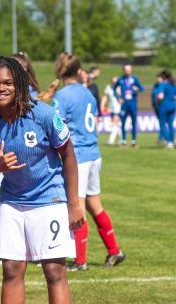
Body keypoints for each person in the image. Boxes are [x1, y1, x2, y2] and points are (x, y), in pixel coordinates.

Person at [0, 56, 84, 304]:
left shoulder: (44, 114)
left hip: (50, 199)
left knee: (54, 271)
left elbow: (68, 155)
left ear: (20, 84)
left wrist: (74, 203)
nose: (0, 88)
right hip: (12, 203)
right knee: (11, 269)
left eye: (8, 83)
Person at [49, 52, 125, 271]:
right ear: (79, 70)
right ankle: (114, 251)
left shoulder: (62, 96)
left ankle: (80, 261)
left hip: (78, 157)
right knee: (95, 206)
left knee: (77, 207)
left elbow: (56, 127)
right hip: (94, 154)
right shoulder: (88, 92)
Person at [113, 64, 143, 147]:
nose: (128, 71)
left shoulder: (134, 79)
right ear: (124, 70)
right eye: (126, 70)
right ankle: (123, 141)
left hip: (133, 104)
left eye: (129, 69)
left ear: (131, 70)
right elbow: (114, 89)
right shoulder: (120, 79)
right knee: (123, 123)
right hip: (124, 104)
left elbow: (141, 88)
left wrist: (137, 90)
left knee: (133, 123)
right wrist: (118, 98)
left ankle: (133, 141)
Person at [156, 70, 176, 150]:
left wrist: (157, 102)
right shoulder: (174, 85)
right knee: (170, 124)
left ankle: (168, 141)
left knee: (162, 125)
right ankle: (171, 140)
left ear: (163, 76)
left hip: (164, 106)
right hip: (173, 106)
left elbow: (160, 96)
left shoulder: (162, 84)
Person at [101, 77, 122, 145]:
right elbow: (105, 97)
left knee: (114, 123)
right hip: (111, 108)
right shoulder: (109, 87)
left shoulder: (121, 88)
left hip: (118, 108)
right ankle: (122, 139)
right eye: (113, 81)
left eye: (115, 81)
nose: (114, 83)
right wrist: (102, 105)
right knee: (116, 124)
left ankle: (111, 140)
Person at [152, 75, 166, 144]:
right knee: (161, 122)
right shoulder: (155, 86)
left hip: (162, 106)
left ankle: (163, 137)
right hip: (156, 106)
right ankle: (162, 137)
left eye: (160, 78)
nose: (158, 79)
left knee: (162, 122)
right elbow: (153, 95)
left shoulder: (164, 86)